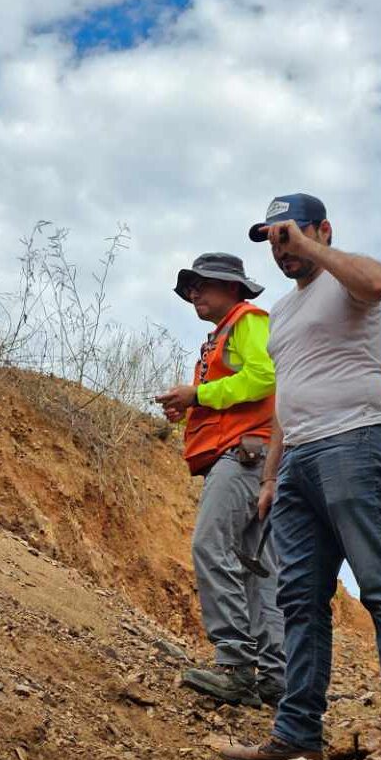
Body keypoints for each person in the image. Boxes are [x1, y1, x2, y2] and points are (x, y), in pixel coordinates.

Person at [221, 193, 381, 760]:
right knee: (298, 599)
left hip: (355, 443)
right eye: (271, 239)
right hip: (296, 465)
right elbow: (285, 400)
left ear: (320, 228)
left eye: (287, 234)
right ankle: (297, 733)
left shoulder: (346, 277)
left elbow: (379, 283)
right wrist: (272, 477)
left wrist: (314, 248)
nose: (280, 248)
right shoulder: (284, 314)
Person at [157, 254, 286, 707]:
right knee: (256, 569)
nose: (194, 293)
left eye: (203, 284)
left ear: (233, 288)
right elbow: (236, 390)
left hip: (244, 455)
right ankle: (273, 677)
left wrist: (200, 394)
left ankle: (235, 666)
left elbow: (266, 377)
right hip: (254, 458)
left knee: (210, 547)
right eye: (190, 286)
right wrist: (192, 404)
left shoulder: (247, 322)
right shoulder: (221, 338)